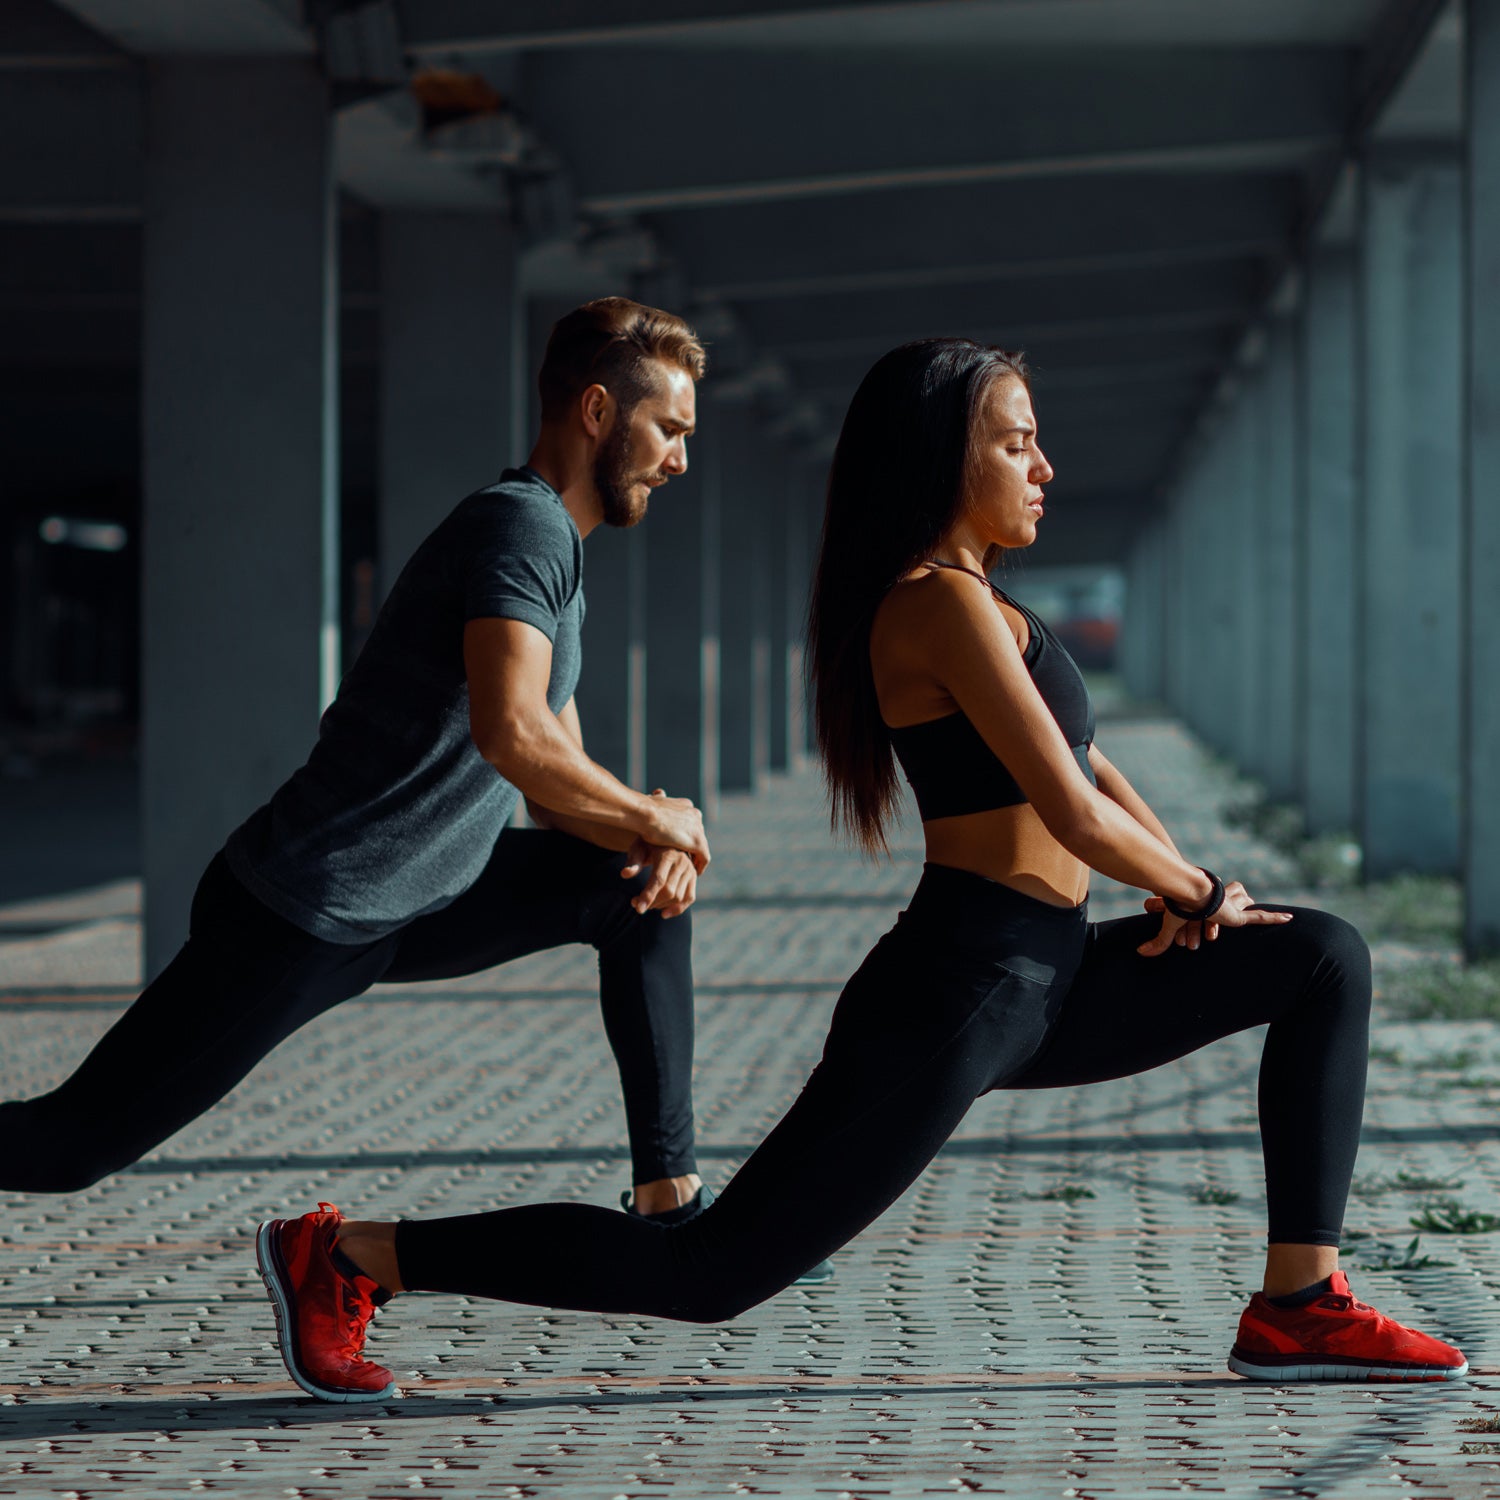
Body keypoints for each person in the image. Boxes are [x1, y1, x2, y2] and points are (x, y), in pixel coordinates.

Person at [254, 337, 1466, 1403]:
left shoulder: (993, 605)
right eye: (1017, 444)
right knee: (710, 1272)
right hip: (963, 990)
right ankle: (353, 1255)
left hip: (1054, 979)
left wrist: (1191, 885)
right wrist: (1197, 894)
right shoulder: (931, 606)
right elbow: (1067, 810)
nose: (1044, 467)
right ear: (946, 459)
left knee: (1318, 958)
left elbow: (1093, 776)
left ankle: (1298, 1303)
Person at [0, 298, 722, 1229]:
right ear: (595, 412)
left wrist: (650, 837)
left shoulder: (559, 557)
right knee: (69, 1147)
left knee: (636, 899)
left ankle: (672, 1203)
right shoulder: (521, 530)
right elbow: (514, 735)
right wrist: (656, 818)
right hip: (309, 906)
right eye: (669, 428)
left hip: (422, 896)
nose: (680, 460)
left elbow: (555, 785)